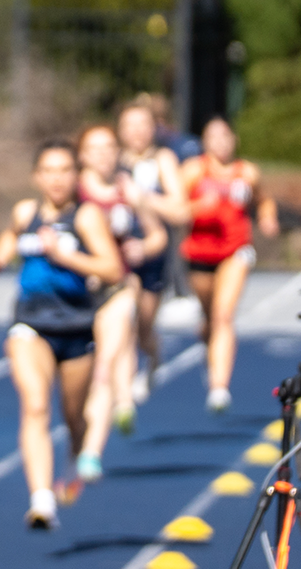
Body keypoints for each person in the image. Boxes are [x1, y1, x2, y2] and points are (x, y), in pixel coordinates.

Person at [0, 139, 126, 529]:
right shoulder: (26, 212)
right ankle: (41, 500)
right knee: (36, 405)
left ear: (76, 175)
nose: (57, 179)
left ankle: (76, 454)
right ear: (36, 176)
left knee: (74, 416)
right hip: (30, 324)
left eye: (65, 171)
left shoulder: (87, 217)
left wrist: (64, 255)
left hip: (76, 328)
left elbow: (113, 269)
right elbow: (10, 236)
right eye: (49, 171)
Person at [76, 123, 167, 450]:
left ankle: (102, 436)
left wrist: (143, 248)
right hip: (80, 290)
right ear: (82, 155)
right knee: (88, 364)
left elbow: (158, 235)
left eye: (109, 147)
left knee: (111, 353)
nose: (102, 155)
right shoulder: (72, 192)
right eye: (95, 148)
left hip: (121, 285)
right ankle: (109, 409)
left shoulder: (128, 190)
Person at [181, 118, 278, 414]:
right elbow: (174, 209)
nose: (221, 143)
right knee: (210, 317)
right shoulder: (193, 171)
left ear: (234, 140)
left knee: (224, 315)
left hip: (235, 250)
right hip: (199, 252)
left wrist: (266, 217)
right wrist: (199, 207)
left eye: (226, 137)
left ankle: (219, 387)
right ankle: (207, 344)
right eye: (214, 137)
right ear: (205, 142)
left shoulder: (246, 173)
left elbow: (264, 200)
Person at [117, 100, 190, 401]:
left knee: (143, 326)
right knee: (122, 319)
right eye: (130, 126)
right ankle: (121, 386)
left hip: (153, 254)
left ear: (154, 128)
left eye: (143, 125)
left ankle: (151, 356)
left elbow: (181, 211)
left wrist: (143, 198)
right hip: (117, 253)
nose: (137, 133)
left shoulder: (163, 160)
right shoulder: (112, 161)